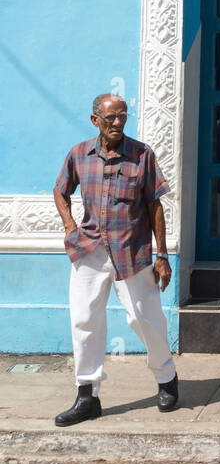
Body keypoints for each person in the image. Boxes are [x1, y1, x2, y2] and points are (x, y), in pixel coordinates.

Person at [52, 93, 178, 426]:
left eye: (123, 117)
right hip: (90, 251)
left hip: (132, 251)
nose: (118, 123)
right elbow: (60, 190)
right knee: (84, 321)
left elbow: (155, 206)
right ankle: (86, 396)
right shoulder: (80, 154)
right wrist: (70, 228)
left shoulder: (141, 155)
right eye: (111, 118)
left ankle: (166, 379)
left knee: (143, 319)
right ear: (95, 120)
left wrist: (162, 254)